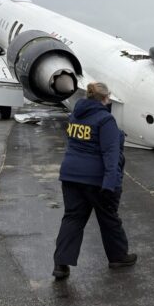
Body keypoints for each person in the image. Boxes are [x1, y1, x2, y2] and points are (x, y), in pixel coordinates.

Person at [52, 82, 136, 280]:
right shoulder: (105, 120)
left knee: (73, 218)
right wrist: (110, 183)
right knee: (108, 217)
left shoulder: (75, 115)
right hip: (95, 179)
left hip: (70, 176)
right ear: (105, 99)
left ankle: (61, 264)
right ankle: (118, 256)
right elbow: (111, 154)